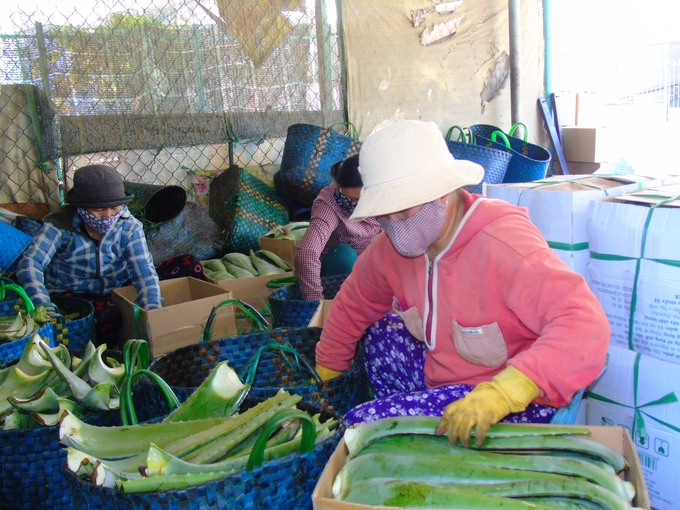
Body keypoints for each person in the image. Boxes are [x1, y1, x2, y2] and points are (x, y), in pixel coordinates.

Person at [314, 120, 610, 447]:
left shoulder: (503, 244)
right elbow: (351, 306)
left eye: (402, 209)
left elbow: (585, 326)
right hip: (443, 375)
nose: (393, 224)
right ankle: (423, 419)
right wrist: (327, 374)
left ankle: (432, 439)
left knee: (360, 431)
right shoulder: (389, 250)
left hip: (509, 401)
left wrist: (504, 392)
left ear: (442, 192)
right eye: (384, 214)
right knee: (381, 333)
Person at [16, 164, 202, 348]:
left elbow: (143, 270)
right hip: (75, 293)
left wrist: (152, 307)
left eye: (114, 208)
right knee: (106, 315)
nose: (108, 216)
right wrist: (42, 304)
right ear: (80, 207)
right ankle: (107, 352)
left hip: (117, 288)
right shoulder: (59, 226)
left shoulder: (128, 226)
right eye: (98, 210)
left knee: (189, 264)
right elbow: (30, 263)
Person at [295, 153, 381, 300]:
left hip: (370, 270)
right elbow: (307, 253)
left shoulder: (383, 196)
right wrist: (316, 304)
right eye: (354, 199)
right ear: (341, 186)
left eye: (366, 199)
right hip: (336, 274)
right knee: (343, 255)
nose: (361, 205)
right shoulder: (329, 204)